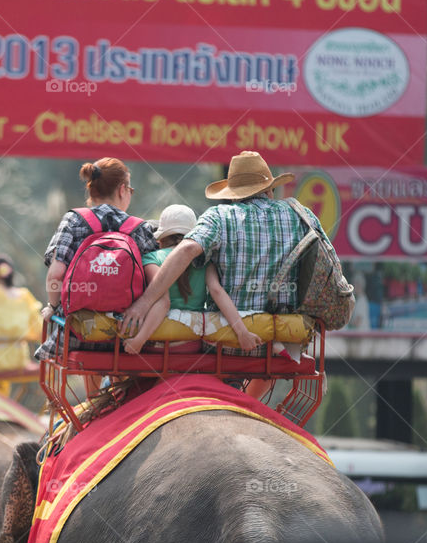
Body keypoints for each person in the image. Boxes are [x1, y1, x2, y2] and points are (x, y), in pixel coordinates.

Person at [120, 151, 340, 399]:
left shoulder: (219, 217)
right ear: (269, 190)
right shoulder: (302, 216)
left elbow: (189, 250)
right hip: (277, 342)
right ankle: (250, 404)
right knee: (267, 367)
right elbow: (326, 267)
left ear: (234, 194)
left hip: (224, 346)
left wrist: (145, 303)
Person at [36, 157, 158, 358]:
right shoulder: (139, 229)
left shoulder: (74, 220)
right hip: (125, 336)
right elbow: (157, 282)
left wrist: (54, 307)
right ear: (122, 189)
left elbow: (55, 275)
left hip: (76, 335)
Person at [122, 204, 262, 354]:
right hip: (192, 346)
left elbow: (163, 303)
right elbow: (216, 291)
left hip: (158, 345)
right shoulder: (205, 261)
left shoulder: (152, 259)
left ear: (160, 239)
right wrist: (242, 332)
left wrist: (139, 341)